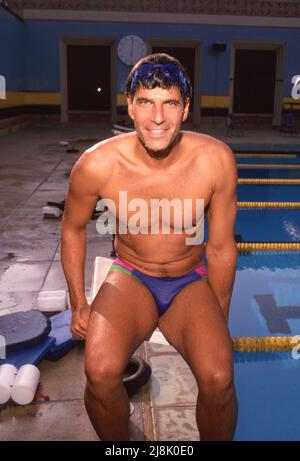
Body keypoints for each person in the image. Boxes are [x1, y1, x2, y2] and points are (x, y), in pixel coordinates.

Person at [61, 53, 238, 441]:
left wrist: (219, 317)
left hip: (188, 281)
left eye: (170, 102)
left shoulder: (215, 161)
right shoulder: (97, 164)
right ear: (130, 105)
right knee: (101, 370)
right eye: (146, 101)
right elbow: (72, 228)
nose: (157, 117)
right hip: (131, 276)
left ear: (186, 108)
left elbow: (222, 248)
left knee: (220, 377)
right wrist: (79, 302)